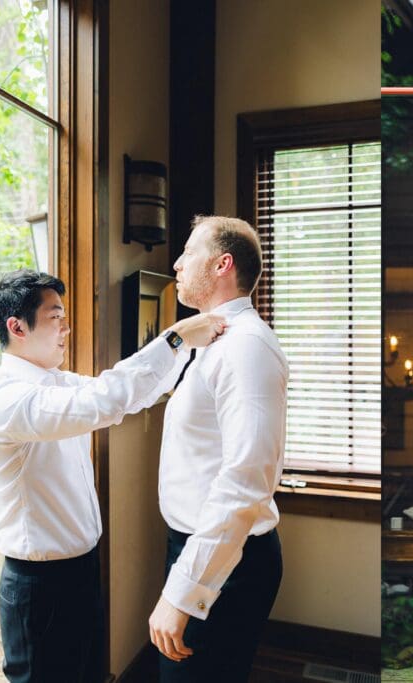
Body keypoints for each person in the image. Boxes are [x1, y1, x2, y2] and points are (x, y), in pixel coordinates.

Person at [0, 269, 226, 683]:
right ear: (16, 326)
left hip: (80, 573)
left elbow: (130, 395)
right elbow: (105, 401)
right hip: (40, 589)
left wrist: (183, 348)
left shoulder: (56, 383)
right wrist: (176, 337)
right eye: (55, 317)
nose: (66, 328)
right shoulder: (7, 401)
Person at [146, 216, 289, 682]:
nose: (177, 262)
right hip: (198, 547)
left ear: (223, 263)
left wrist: (182, 593)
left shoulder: (246, 348)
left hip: (228, 563)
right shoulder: (207, 340)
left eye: (189, 252)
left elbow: (246, 479)